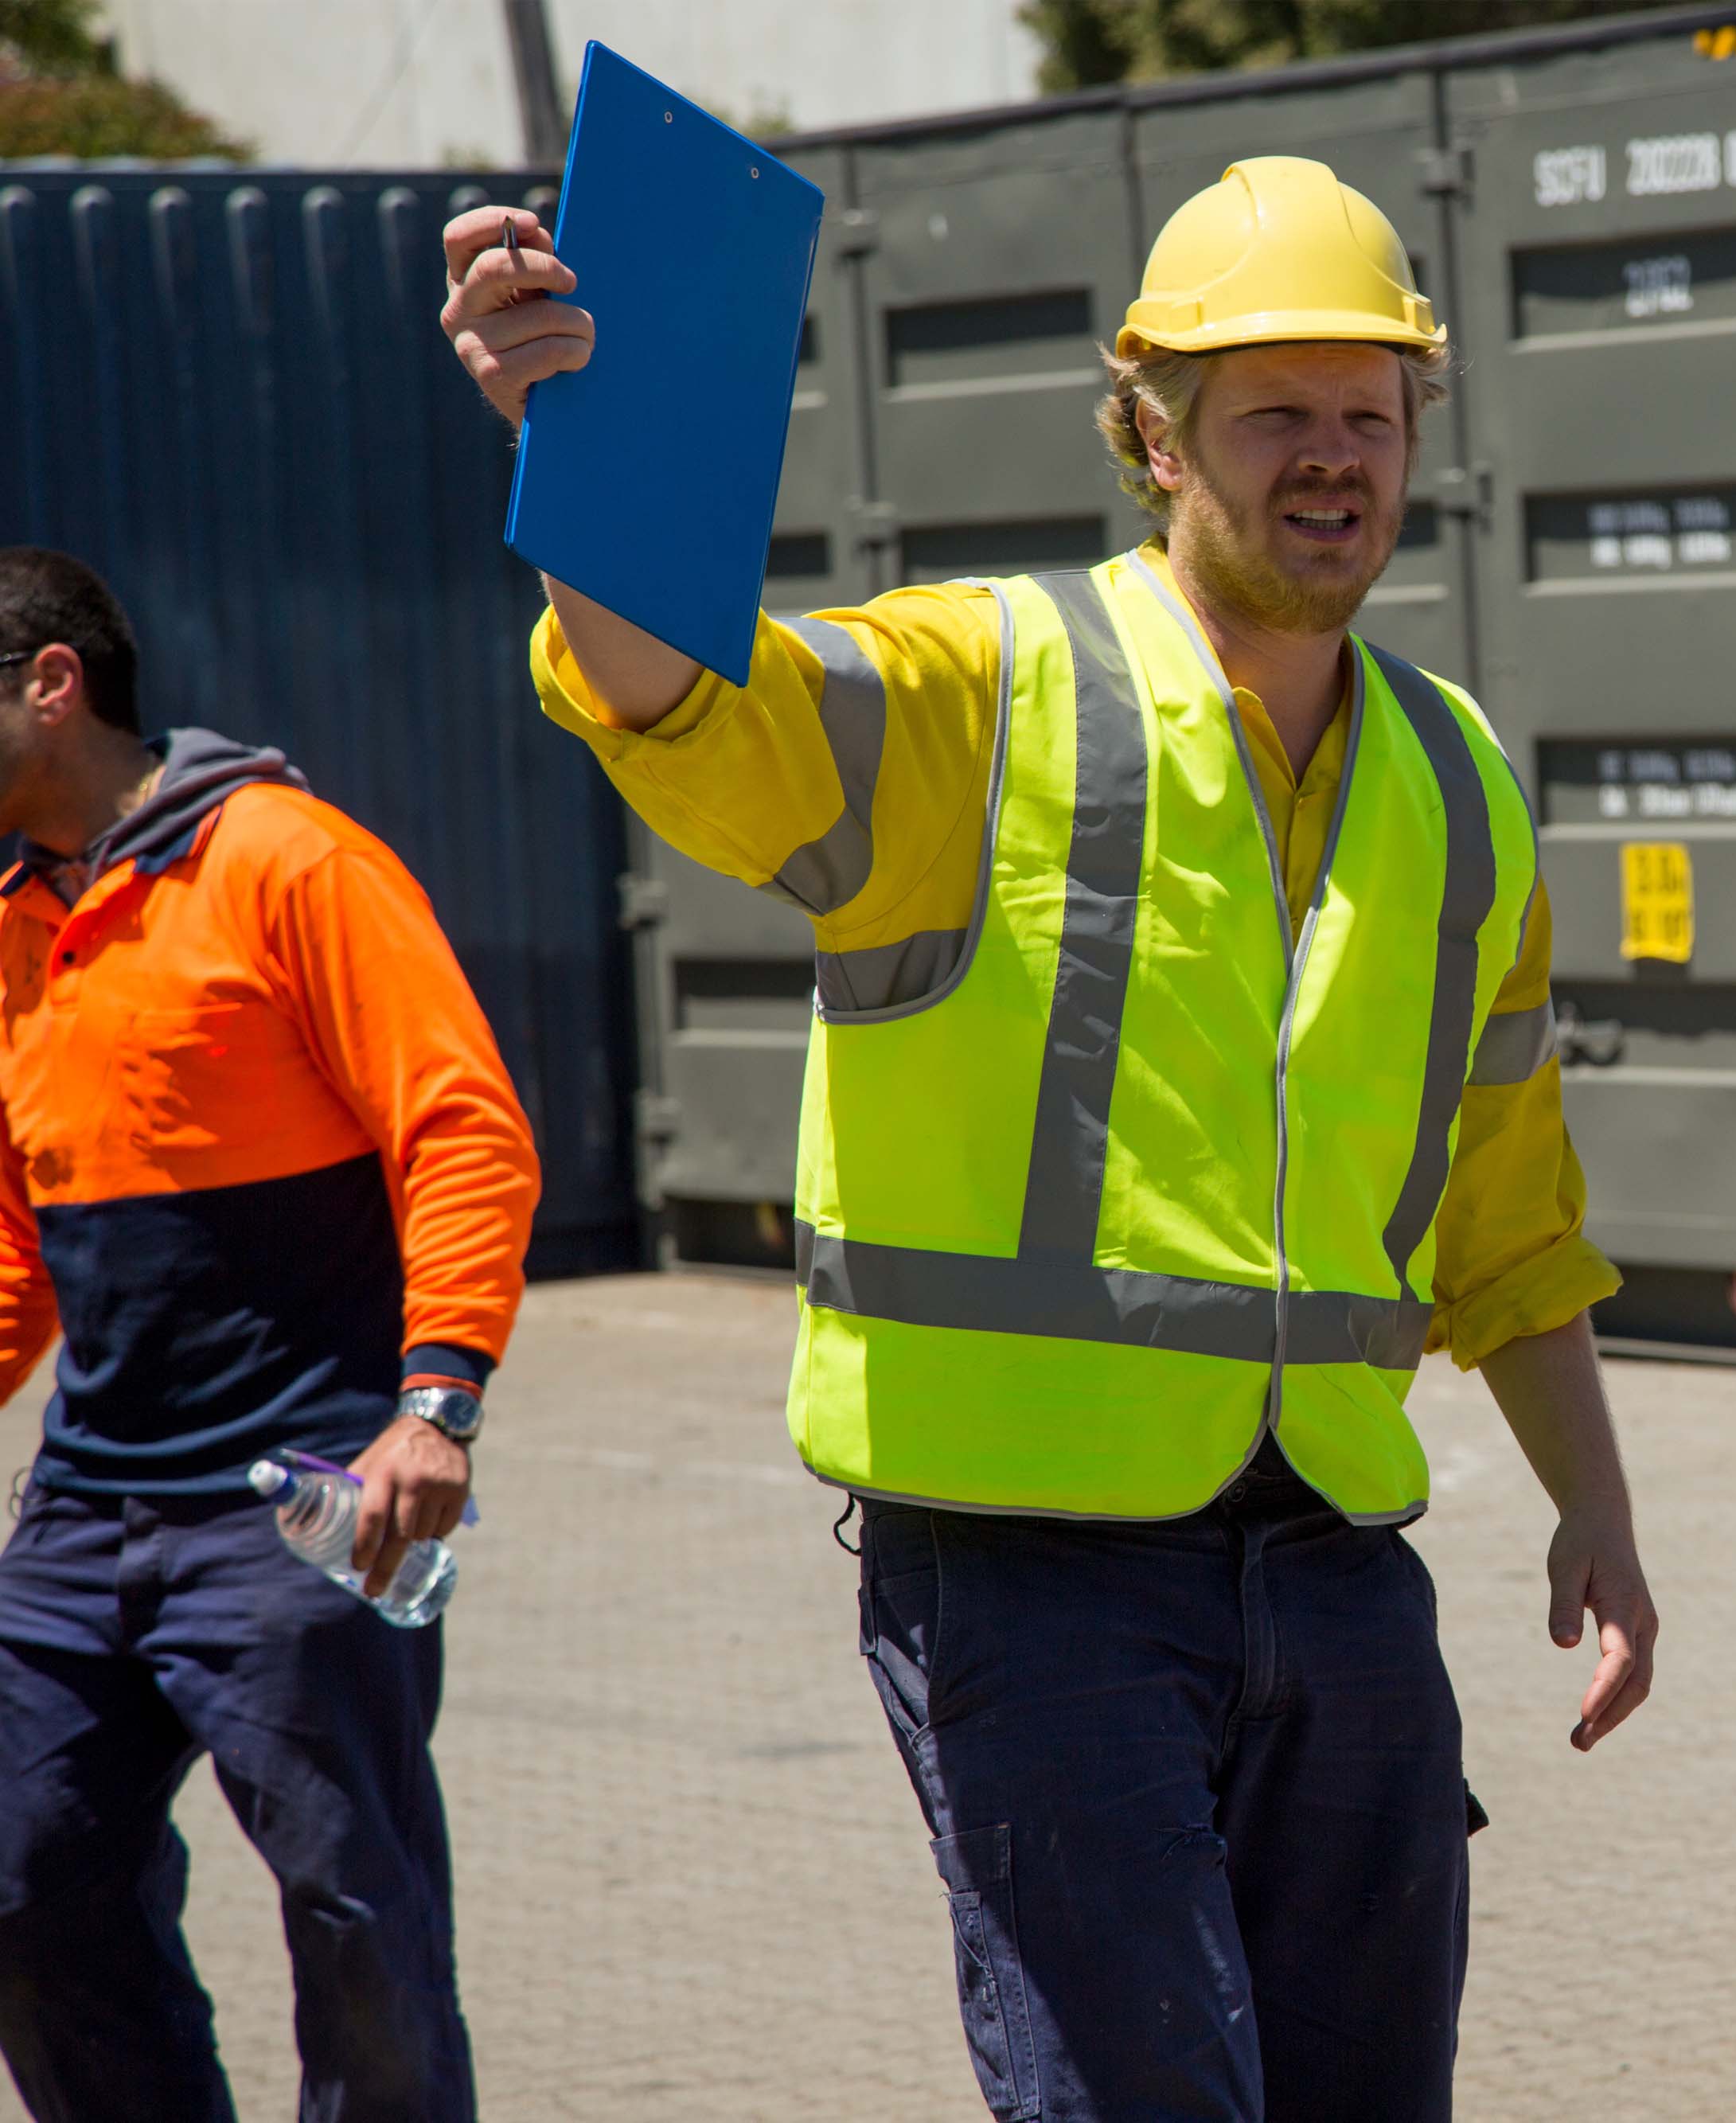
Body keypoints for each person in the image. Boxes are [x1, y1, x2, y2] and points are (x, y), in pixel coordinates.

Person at [435, 156, 1657, 2121]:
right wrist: (588, 456)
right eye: (1273, 415)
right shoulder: (980, 684)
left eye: (1369, 413)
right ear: (1151, 434)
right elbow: (685, 704)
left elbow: (1505, 1208)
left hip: (1340, 1561)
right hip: (1029, 1577)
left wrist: (1591, 1504)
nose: (1330, 460)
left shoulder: (1459, 779)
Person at [0, 547, 540, 2121]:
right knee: (23, 1876)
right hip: (88, 1515)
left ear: (53, 681)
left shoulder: (285, 857)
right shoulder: (20, 923)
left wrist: (436, 1400)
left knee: (359, 1921)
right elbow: (26, 1229)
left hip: (305, 1508)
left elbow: (460, 1125)